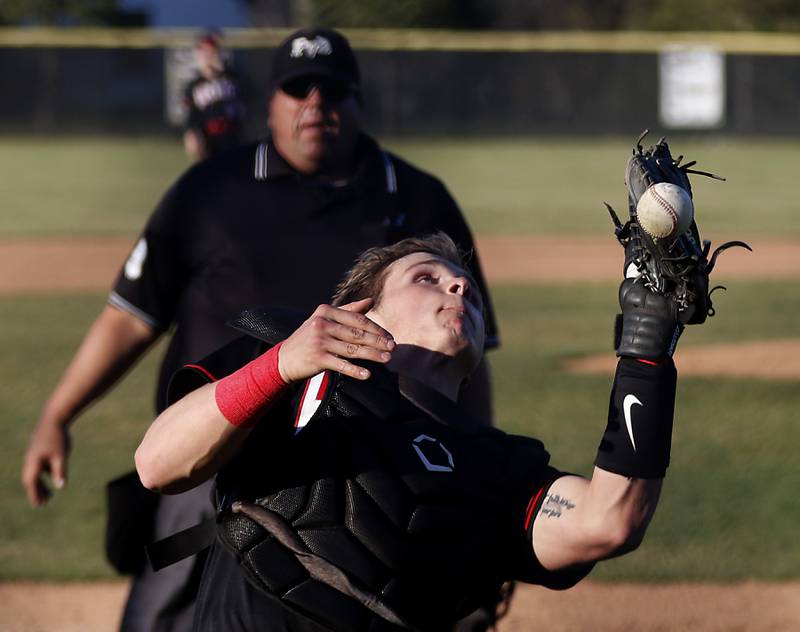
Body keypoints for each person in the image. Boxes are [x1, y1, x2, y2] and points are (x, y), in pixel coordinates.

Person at [21, 28, 499, 632]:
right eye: (297, 90)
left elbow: (466, 362)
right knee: (160, 616)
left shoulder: (419, 199)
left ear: (358, 103)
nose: (314, 105)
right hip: (209, 446)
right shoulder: (209, 190)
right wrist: (57, 415)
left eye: (333, 91)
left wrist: (474, 470)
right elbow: (130, 317)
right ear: (270, 101)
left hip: (368, 468)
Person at [135, 232, 681, 631]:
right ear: (366, 309)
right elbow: (158, 463)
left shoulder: (497, 466)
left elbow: (609, 520)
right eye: (427, 279)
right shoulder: (294, 371)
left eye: (466, 286)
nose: (460, 287)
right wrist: (279, 364)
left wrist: (646, 350)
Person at [182, 31, 249, 161]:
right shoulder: (193, 86)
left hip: (233, 135)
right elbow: (191, 116)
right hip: (208, 139)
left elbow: (247, 100)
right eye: (204, 53)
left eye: (212, 52)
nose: (208, 57)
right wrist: (191, 134)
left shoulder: (232, 78)